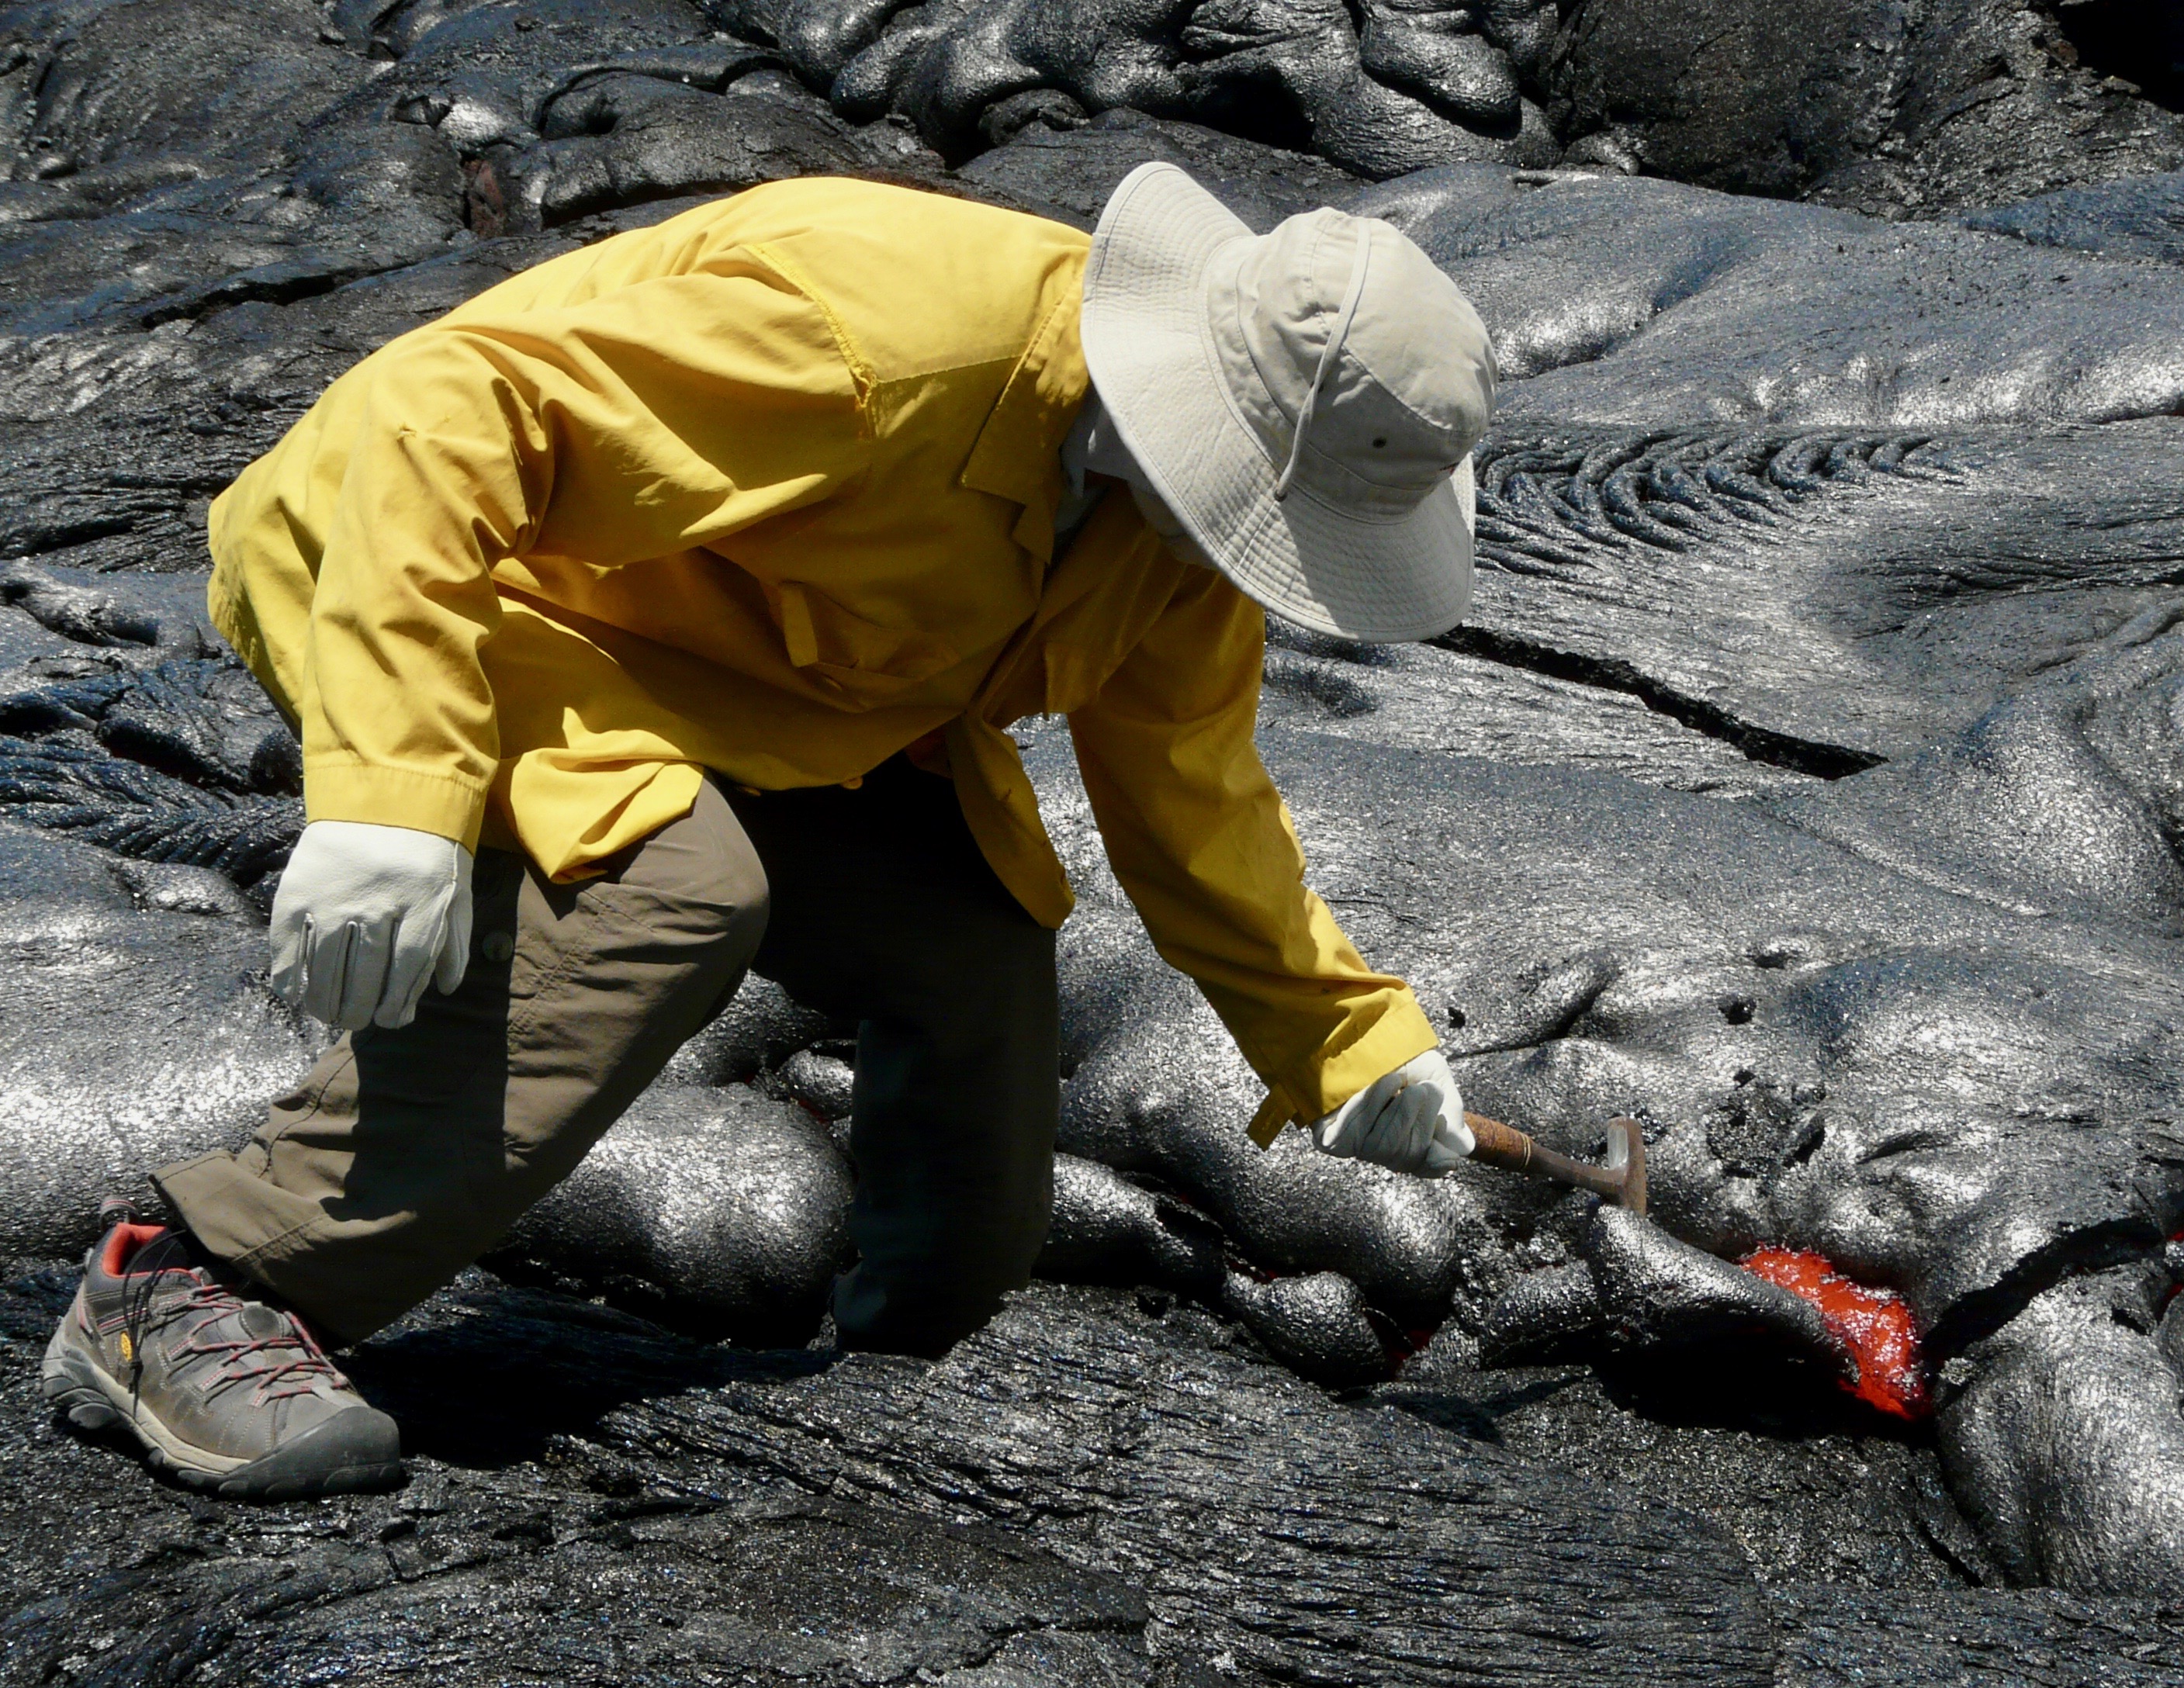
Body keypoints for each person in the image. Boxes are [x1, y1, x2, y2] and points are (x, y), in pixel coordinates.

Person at [40, 161, 1497, 1499]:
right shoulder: (883, 350)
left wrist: (1347, 1044)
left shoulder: (1171, 536)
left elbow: (1193, 787)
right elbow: (437, 426)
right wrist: (393, 801)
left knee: (972, 938)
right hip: (443, 578)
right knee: (673, 890)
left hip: (741, 679)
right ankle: (187, 1279)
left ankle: (894, 1366)